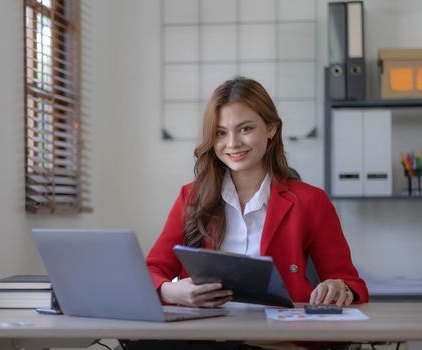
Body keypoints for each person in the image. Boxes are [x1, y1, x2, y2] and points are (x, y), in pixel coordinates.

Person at [146, 77, 368, 308]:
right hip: (207, 335)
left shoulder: (311, 201)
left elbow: (351, 282)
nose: (232, 143)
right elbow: (152, 270)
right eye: (221, 133)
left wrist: (339, 286)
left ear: (271, 128)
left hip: (281, 338)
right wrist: (170, 291)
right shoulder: (191, 197)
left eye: (245, 129)